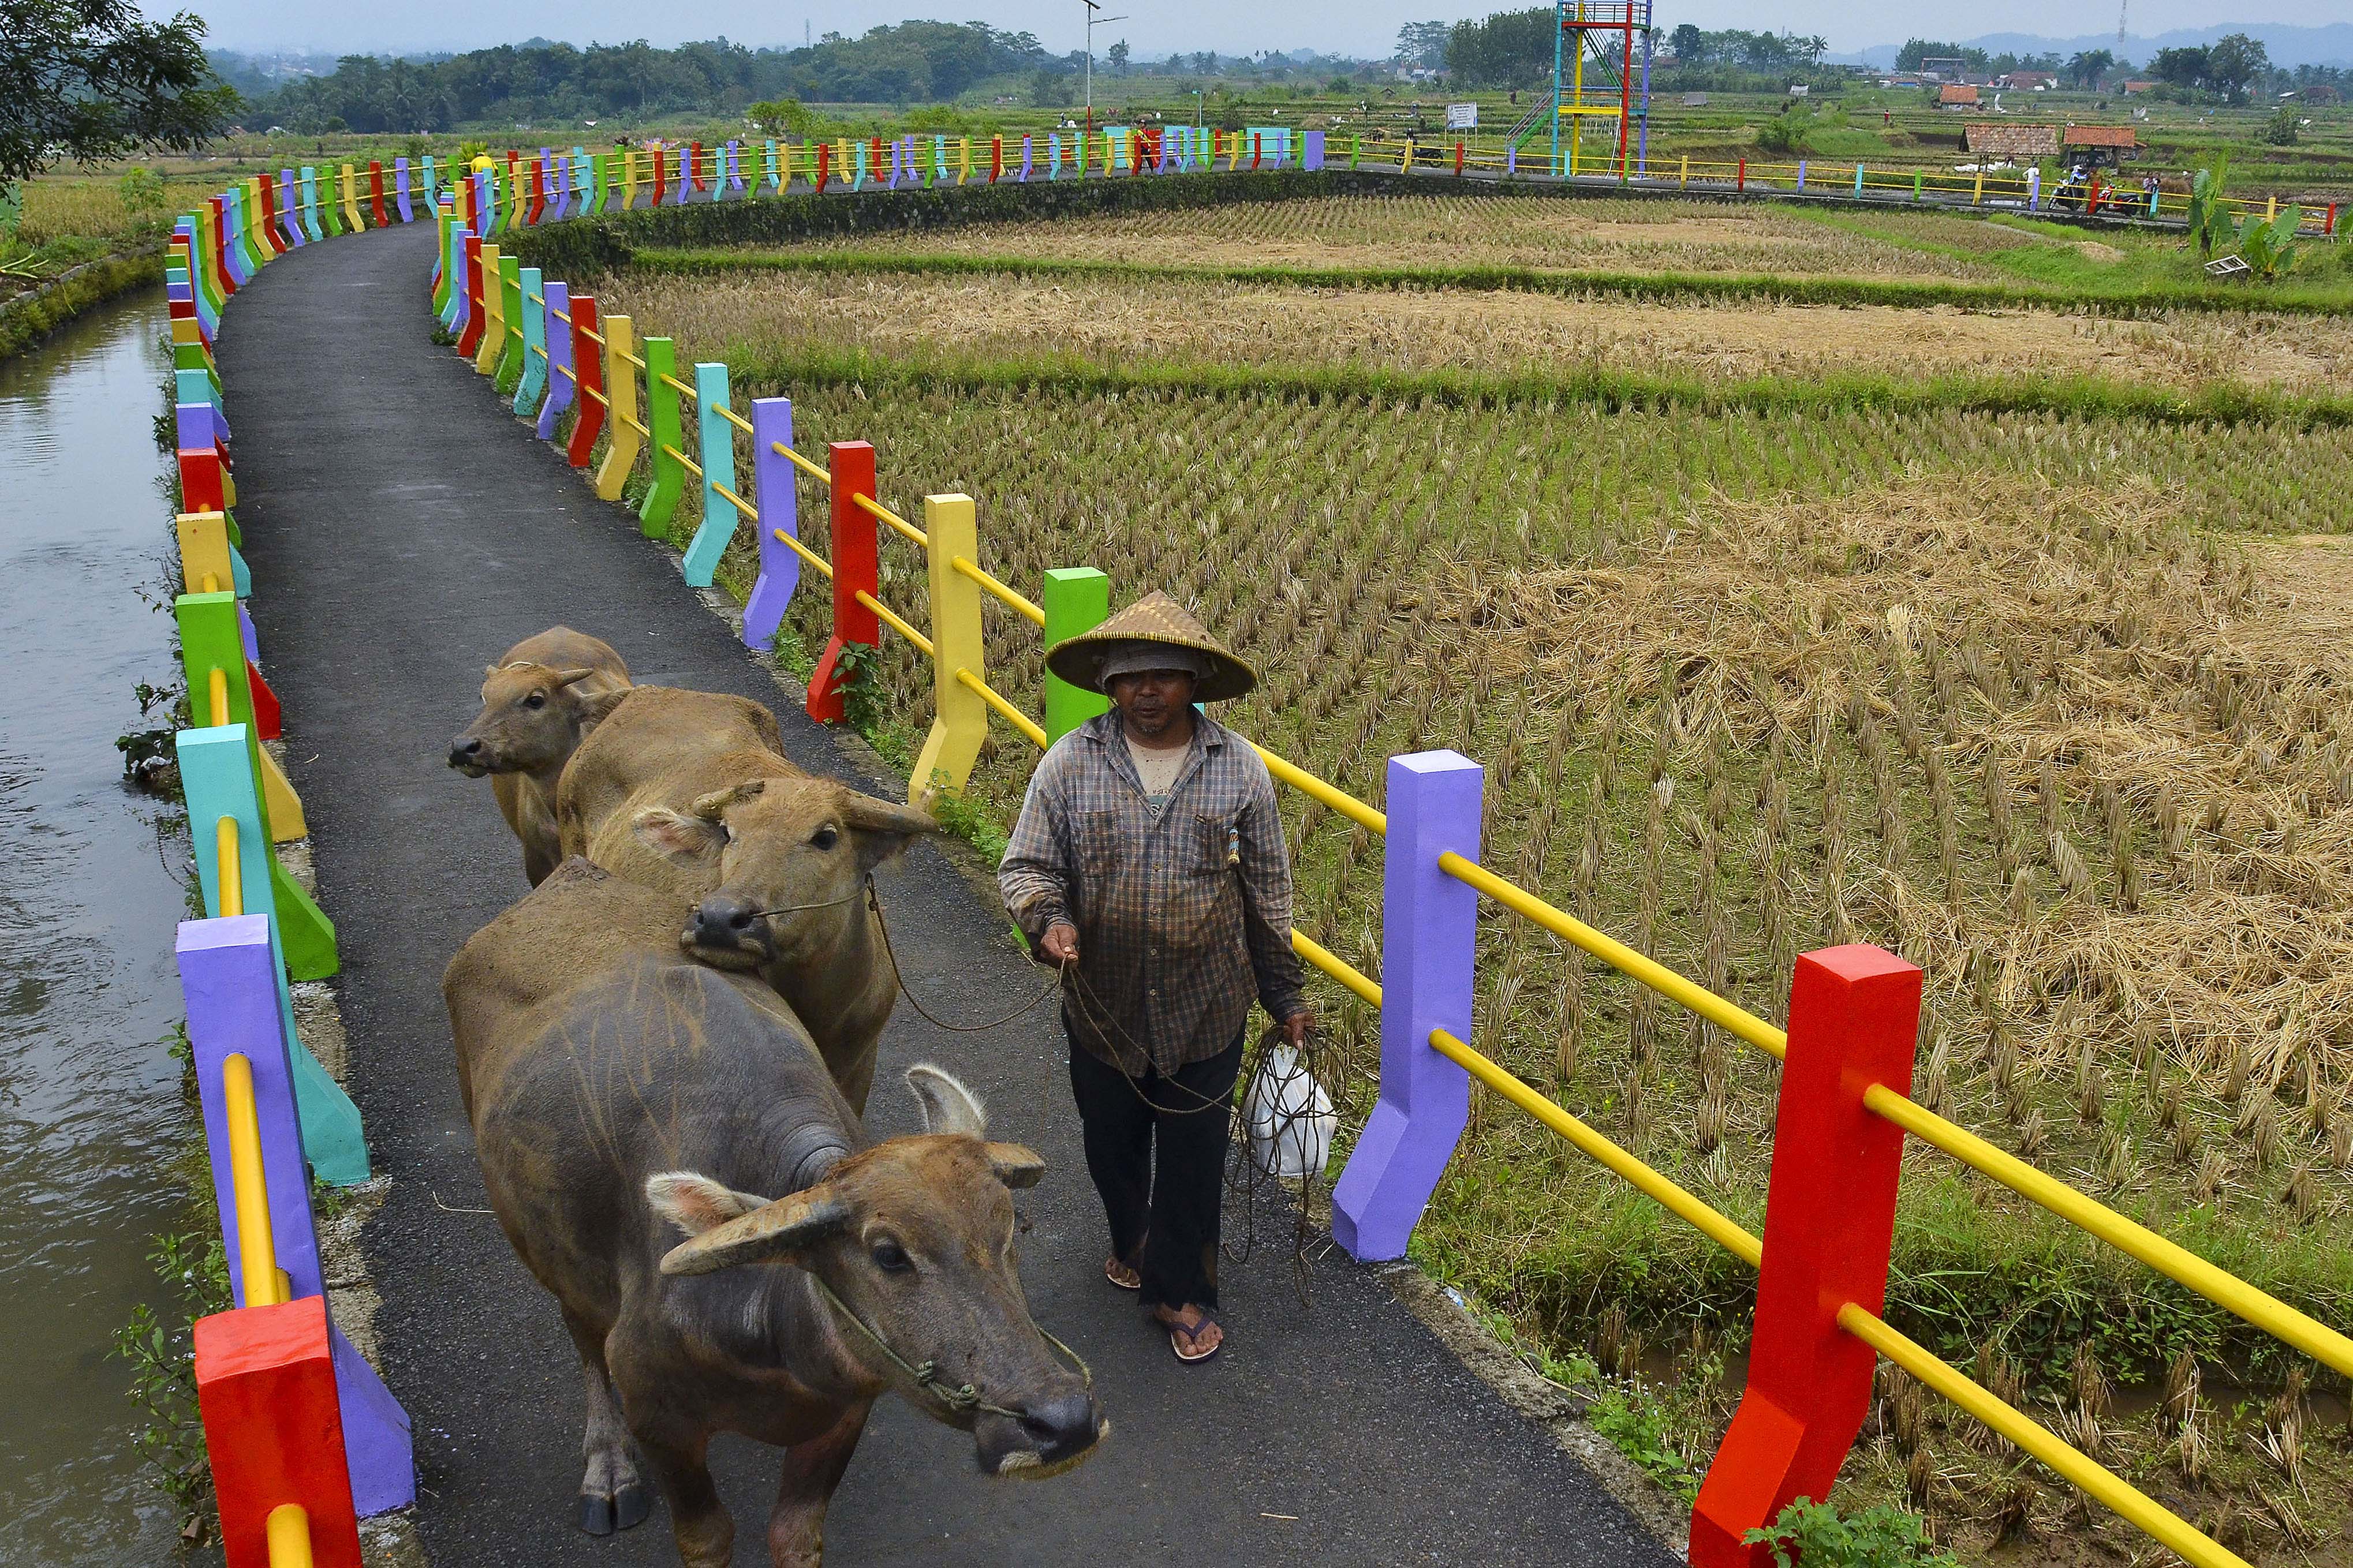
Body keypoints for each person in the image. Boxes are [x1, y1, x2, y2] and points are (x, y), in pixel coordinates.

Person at [999, 592, 1310, 1365]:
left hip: (1207, 999)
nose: (1147, 692)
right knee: (1112, 1141)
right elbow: (1029, 863)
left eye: (1165, 677)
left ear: (1195, 683)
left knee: (1196, 1151)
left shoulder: (1237, 767)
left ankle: (1182, 1292)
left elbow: (1268, 889)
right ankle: (1133, 1238)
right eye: (1131, 677)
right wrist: (1048, 918)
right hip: (1102, 1003)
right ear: (1109, 683)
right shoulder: (1071, 761)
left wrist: (1286, 994)